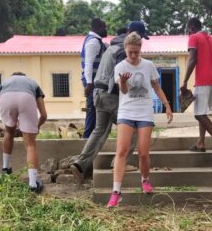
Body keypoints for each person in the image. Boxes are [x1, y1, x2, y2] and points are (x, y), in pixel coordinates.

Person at [71, 22, 150, 184]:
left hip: (98, 94)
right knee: (134, 129)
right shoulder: (123, 50)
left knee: (99, 130)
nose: (140, 42)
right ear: (132, 34)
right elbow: (125, 76)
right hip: (111, 95)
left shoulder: (111, 47)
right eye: (140, 37)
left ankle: (80, 164)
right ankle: (119, 163)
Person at [107, 32, 173, 207]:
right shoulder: (120, 67)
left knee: (143, 153)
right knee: (121, 150)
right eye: (130, 52)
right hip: (126, 112)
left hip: (144, 112)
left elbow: (156, 87)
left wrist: (167, 105)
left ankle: (145, 180)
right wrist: (122, 82)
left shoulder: (148, 65)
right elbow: (123, 91)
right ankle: (116, 192)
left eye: (136, 52)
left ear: (140, 49)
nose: (134, 56)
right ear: (125, 49)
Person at [0, 72, 47, 193]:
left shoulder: (4, 84)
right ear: (24, 76)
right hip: (26, 99)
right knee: (30, 144)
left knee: (9, 133)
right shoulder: (32, 83)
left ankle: (6, 170)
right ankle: (32, 183)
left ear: (12, 77)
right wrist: (35, 128)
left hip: (6, 99)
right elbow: (44, 115)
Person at [180, 17, 212, 161]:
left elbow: (192, 60)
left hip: (203, 80)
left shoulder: (194, 38)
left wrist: (185, 81)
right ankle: (201, 142)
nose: (188, 33)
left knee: (199, 114)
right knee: (203, 112)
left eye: (188, 30)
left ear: (191, 28)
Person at [81, 18, 108, 138]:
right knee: (92, 111)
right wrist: (89, 84)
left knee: (94, 111)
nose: (106, 30)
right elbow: (88, 64)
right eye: (104, 27)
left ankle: (90, 138)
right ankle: (87, 139)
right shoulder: (93, 42)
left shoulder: (97, 41)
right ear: (98, 28)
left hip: (94, 82)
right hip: (92, 82)